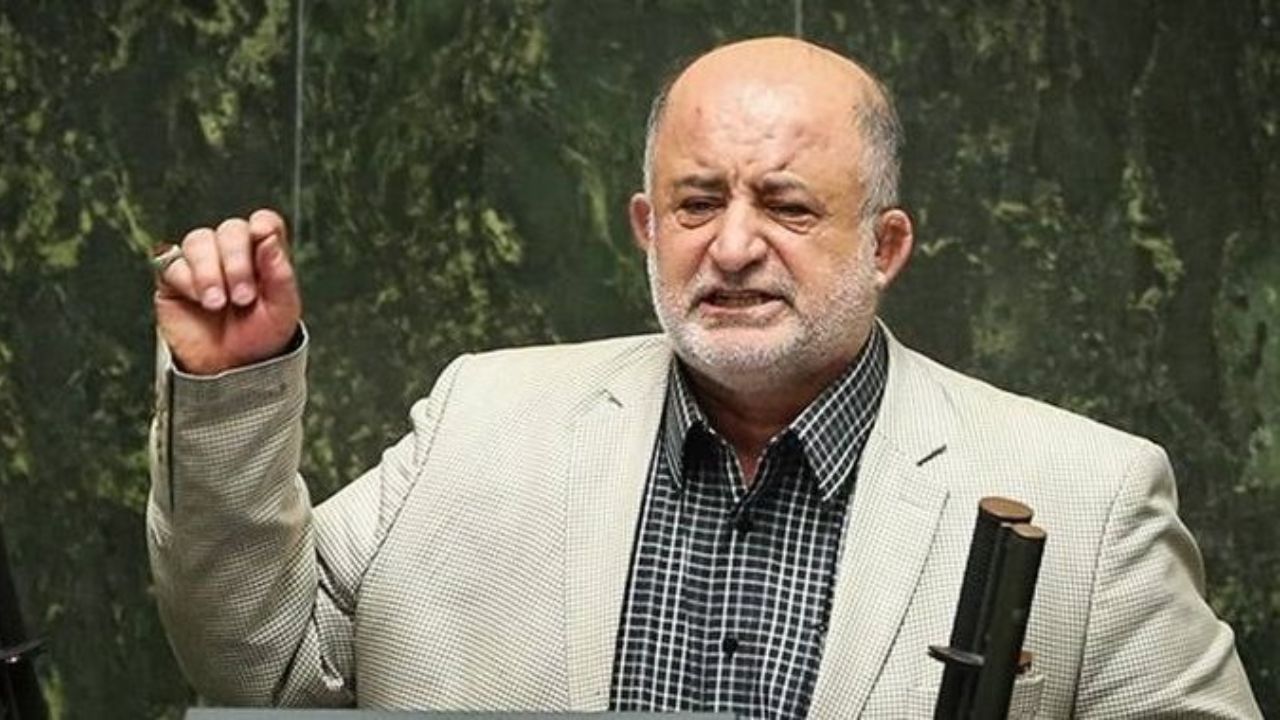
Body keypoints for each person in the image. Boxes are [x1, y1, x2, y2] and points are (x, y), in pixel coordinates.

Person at [147, 37, 1261, 718]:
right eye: (695, 203)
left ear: (884, 246)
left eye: (785, 205)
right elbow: (260, 665)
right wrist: (232, 393)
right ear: (645, 226)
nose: (730, 247)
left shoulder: (1088, 495)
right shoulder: (478, 418)